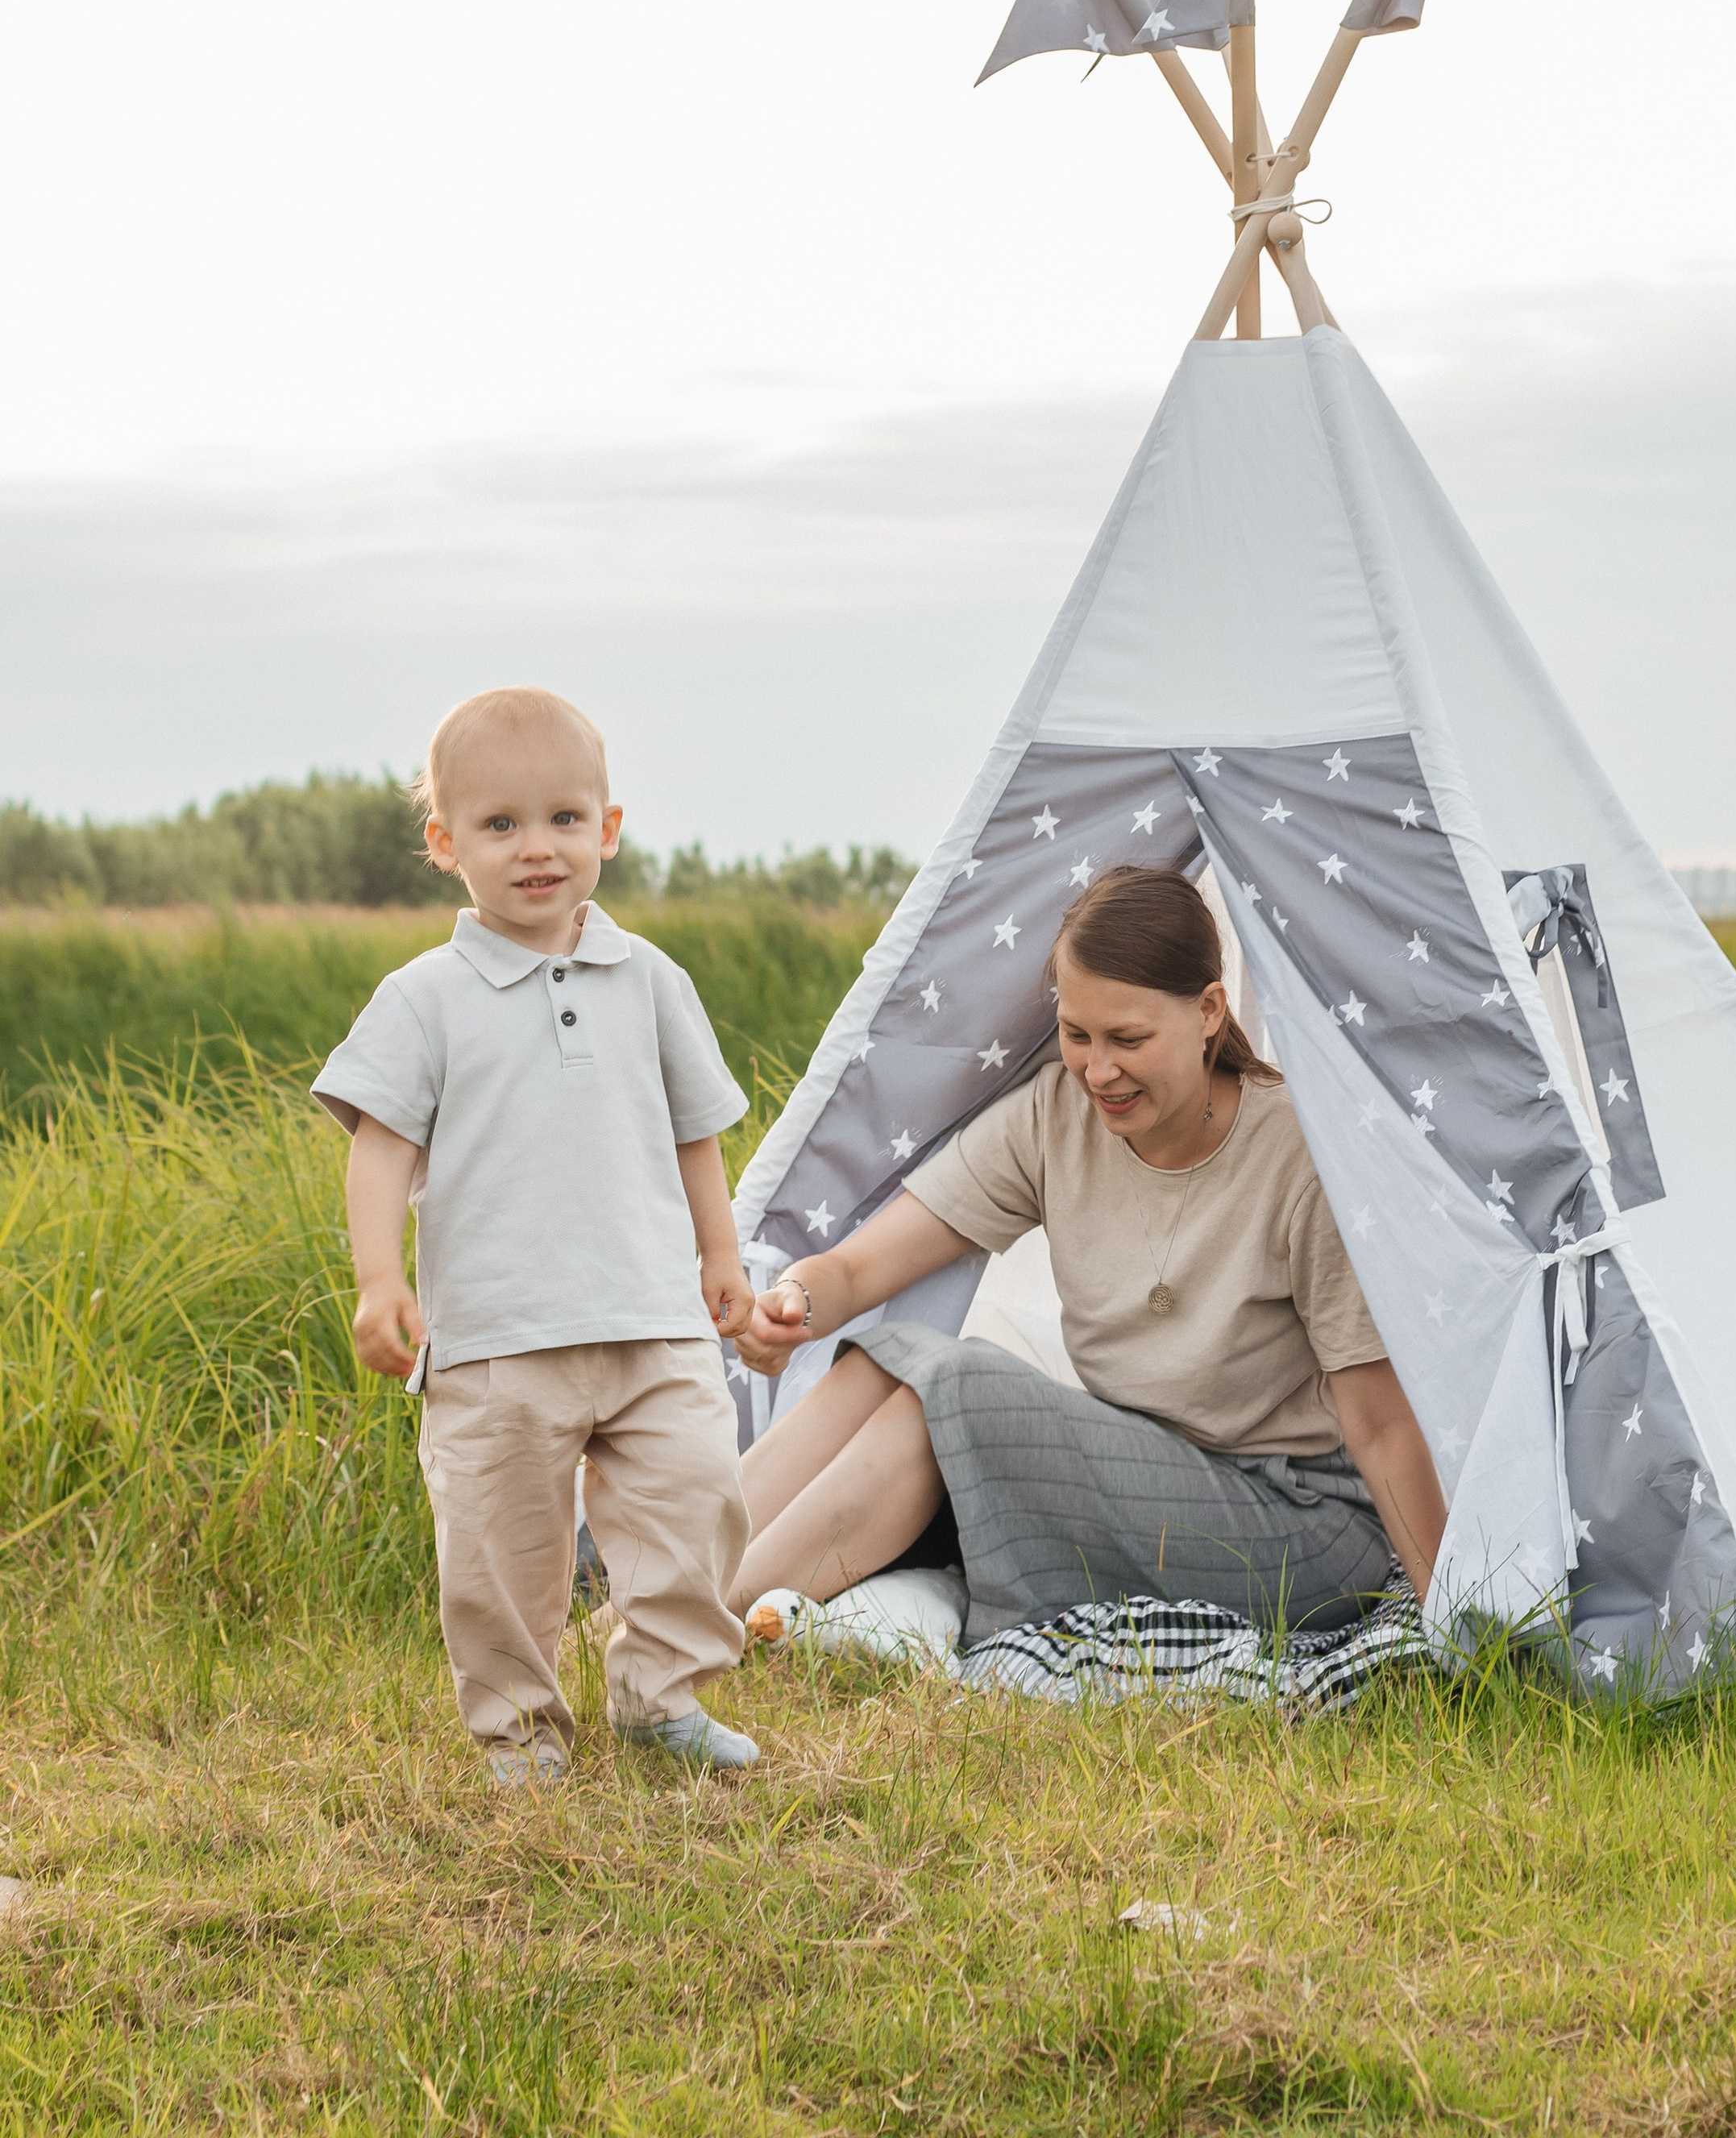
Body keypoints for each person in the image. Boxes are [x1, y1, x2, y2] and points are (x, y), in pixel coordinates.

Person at [730, 866, 1445, 1650]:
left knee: (960, 1387)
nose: (1098, 1071)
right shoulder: (1054, 1121)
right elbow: (860, 1270)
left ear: (1210, 1011)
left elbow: (1379, 1428)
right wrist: (793, 1299)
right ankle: (654, 1593)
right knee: (886, 1360)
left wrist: (1446, 1619)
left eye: (1128, 1039)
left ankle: (691, 1635)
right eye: (1077, 1035)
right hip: (1140, 1478)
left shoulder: (1298, 1156)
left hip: (1294, 1529)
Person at [313, 685, 760, 1783]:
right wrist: (380, 1280)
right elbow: (379, 1145)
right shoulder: (424, 998)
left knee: (698, 1495)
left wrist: (722, 1258)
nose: (536, 849)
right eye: (499, 825)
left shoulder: (651, 980)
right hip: (498, 1336)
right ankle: (519, 1730)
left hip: (652, 1315)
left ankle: (659, 1694)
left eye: (564, 818)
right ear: (444, 842)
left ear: (607, 828)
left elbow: (696, 1130)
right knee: (501, 1555)